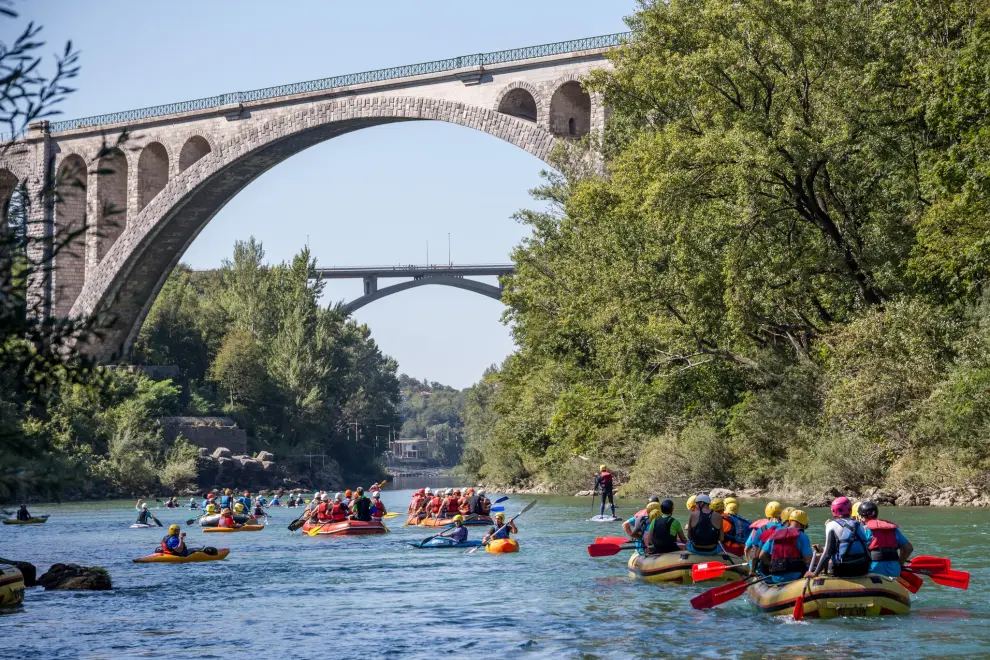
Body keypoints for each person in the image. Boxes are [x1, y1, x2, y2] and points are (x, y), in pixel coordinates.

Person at [807, 496, 870, 578]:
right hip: (863, 568)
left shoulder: (831, 525)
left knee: (830, 563)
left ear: (833, 510)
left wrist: (815, 573)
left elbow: (827, 553)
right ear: (850, 509)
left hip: (842, 569)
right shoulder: (858, 524)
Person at [858, 501, 913, 577]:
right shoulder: (893, 529)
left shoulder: (863, 530)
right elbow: (908, 548)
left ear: (861, 516)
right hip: (894, 571)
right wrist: (900, 563)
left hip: (873, 570)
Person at [758, 510, 814, 584]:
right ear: (803, 525)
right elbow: (808, 560)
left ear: (790, 521)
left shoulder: (774, 535)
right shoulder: (802, 536)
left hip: (775, 577)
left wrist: (774, 564)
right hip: (796, 576)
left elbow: (761, 556)